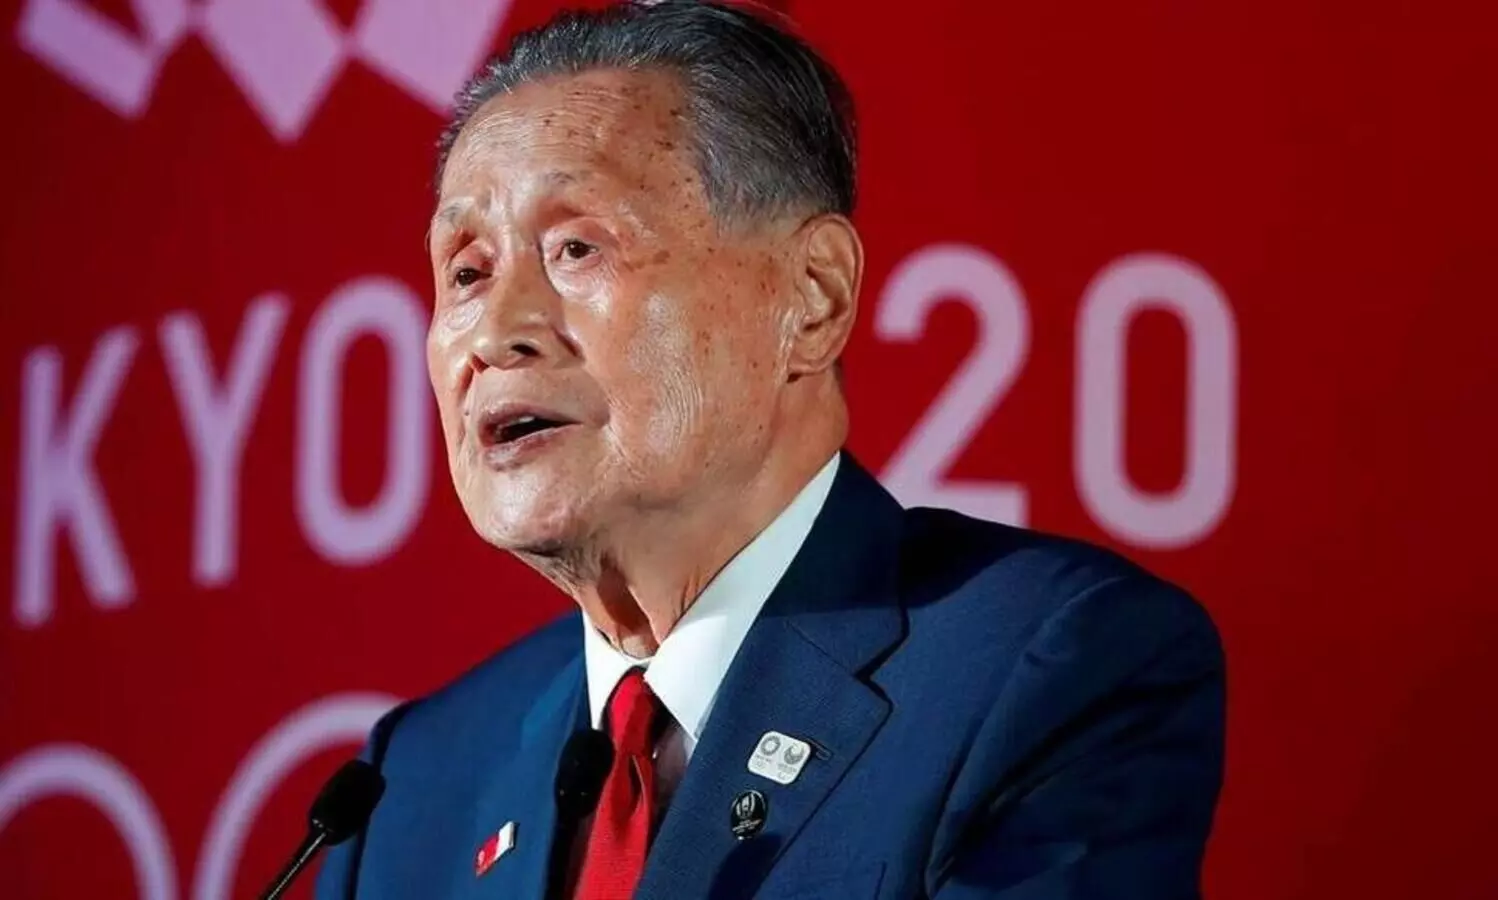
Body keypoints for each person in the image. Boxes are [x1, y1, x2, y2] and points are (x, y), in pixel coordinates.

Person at [315, 2, 1225, 897]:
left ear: (813, 297)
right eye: (467, 272)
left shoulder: (1042, 671)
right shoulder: (411, 789)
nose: (494, 331)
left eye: (577, 248)